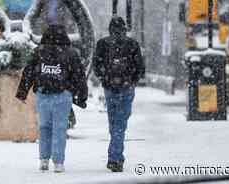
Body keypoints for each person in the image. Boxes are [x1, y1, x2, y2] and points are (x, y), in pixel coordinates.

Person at [16, 24, 88, 173]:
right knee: (59, 129)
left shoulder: (38, 52)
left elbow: (28, 72)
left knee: (44, 128)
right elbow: (79, 76)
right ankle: (58, 162)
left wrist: (22, 92)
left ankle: (43, 160)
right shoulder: (71, 53)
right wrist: (82, 96)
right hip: (63, 96)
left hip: (43, 95)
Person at [93, 17, 145, 172]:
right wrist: (132, 81)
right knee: (120, 124)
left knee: (114, 123)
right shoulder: (132, 44)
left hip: (110, 89)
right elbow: (140, 68)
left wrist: (105, 79)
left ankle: (115, 156)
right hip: (126, 89)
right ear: (124, 28)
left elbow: (96, 66)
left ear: (110, 28)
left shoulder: (103, 43)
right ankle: (115, 158)